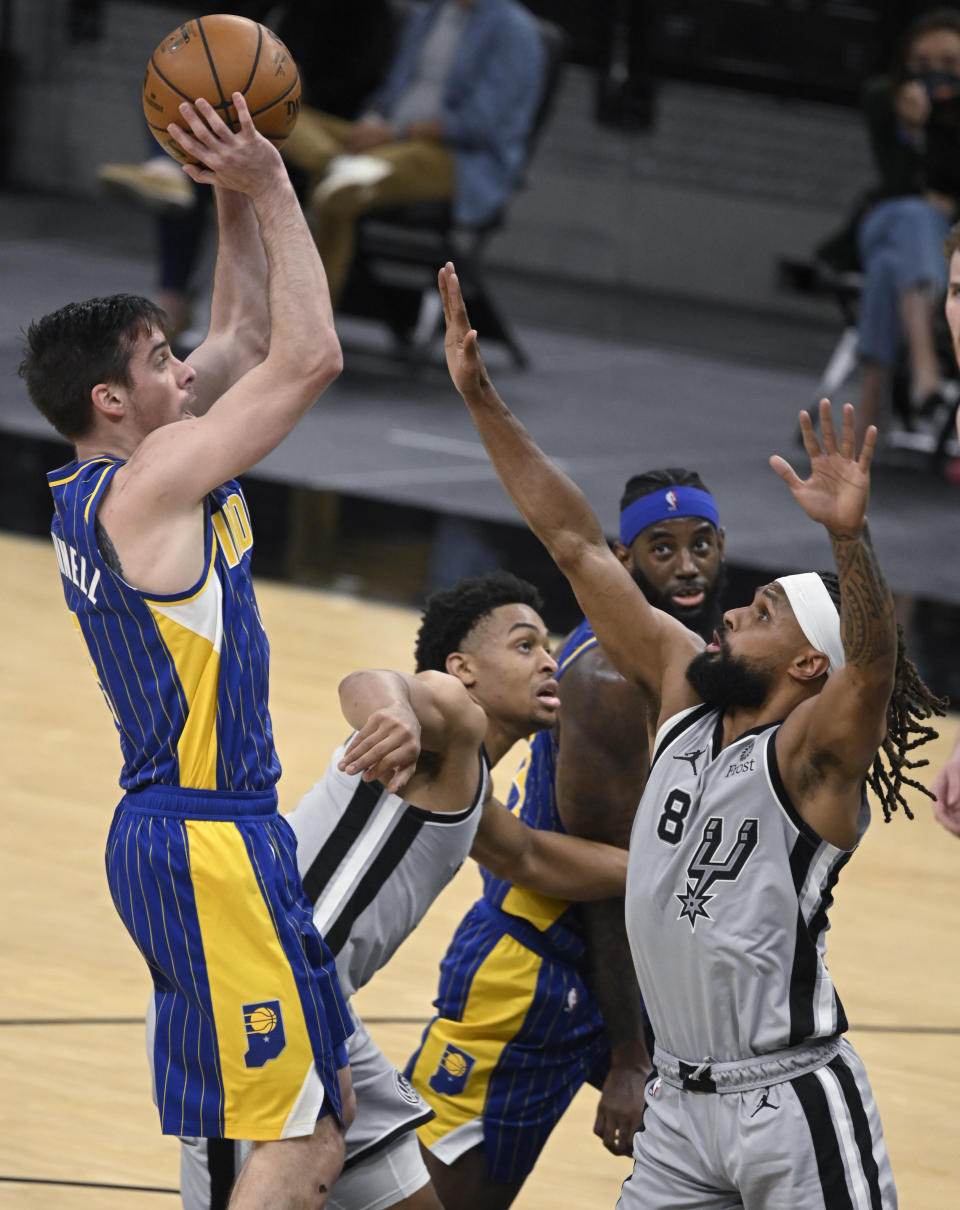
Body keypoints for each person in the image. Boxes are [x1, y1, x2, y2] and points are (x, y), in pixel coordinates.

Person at [430, 261, 946, 1208]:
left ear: (805, 669)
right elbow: (578, 544)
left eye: (761, 611)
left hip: (789, 1104)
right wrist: (481, 398)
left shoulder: (813, 764)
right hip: (678, 1111)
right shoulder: (680, 693)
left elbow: (869, 667)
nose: (730, 615)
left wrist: (848, 539)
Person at [19, 96, 354, 1208]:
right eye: (166, 361)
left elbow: (251, 336)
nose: (190, 372)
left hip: (193, 833)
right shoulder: (152, 484)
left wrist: (222, 183)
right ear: (113, 400)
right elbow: (308, 356)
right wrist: (272, 183)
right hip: (205, 840)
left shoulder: (122, 469)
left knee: (298, 1124)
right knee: (304, 1143)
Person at [172, 570, 631, 1209]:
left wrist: (671, 869)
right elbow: (367, 683)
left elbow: (532, 856)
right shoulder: (447, 714)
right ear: (462, 667)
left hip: (325, 1015)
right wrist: (390, 711)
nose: (549, 660)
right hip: (257, 995)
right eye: (524, 646)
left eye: (547, 646)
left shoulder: (469, 785)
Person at [405, 471, 728, 1208]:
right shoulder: (610, 677)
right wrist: (627, 1057)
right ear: (622, 558)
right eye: (662, 548)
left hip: (633, 980)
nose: (685, 566)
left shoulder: (696, 652)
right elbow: (607, 887)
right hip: (537, 973)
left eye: (701, 545)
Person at [98, 0, 400, 341]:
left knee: (213, 148)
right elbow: (211, 37)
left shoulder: (364, 13)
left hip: (316, 122)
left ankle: (169, 171)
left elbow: (358, 86)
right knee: (177, 95)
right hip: (257, 116)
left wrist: (281, 83)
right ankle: (175, 301)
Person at [280, 0, 545, 303]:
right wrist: (374, 121)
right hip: (387, 139)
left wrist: (397, 132)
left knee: (339, 189)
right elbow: (392, 89)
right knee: (276, 118)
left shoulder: (515, 32)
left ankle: (310, 324)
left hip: (452, 157)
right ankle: (333, 160)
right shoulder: (430, 15)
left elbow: (482, 124)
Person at [853, 7, 960, 447]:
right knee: (913, 217)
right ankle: (924, 369)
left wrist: (937, 125)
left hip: (944, 242)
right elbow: (902, 185)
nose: (933, 74)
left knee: (887, 269)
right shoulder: (884, 97)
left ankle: (869, 401)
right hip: (889, 218)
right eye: (922, 63)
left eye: (949, 65)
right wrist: (913, 130)